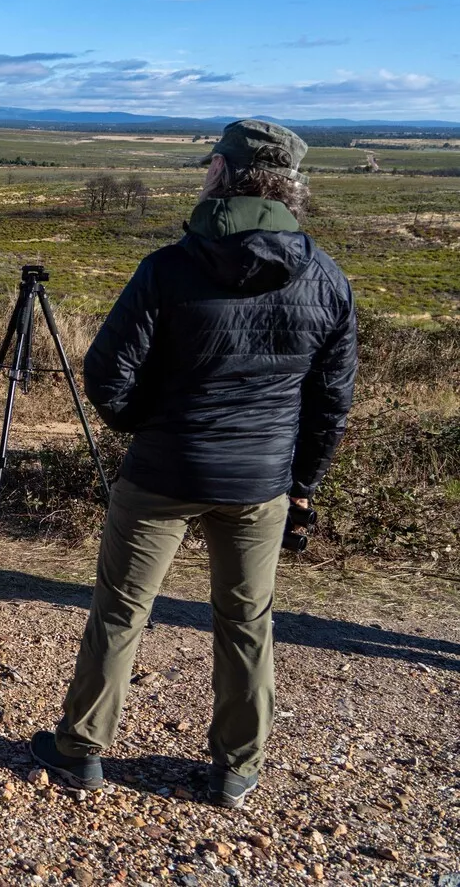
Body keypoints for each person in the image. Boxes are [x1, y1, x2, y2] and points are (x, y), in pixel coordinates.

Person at [29, 119, 358, 809]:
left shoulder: (170, 267)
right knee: (247, 620)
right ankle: (236, 768)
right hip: (260, 482)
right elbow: (331, 402)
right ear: (289, 188)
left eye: (212, 161)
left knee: (121, 611)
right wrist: (301, 486)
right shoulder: (326, 276)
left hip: (162, 474)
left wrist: (149, 427)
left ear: (225, 175)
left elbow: (105, 373)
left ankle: (81, 751)